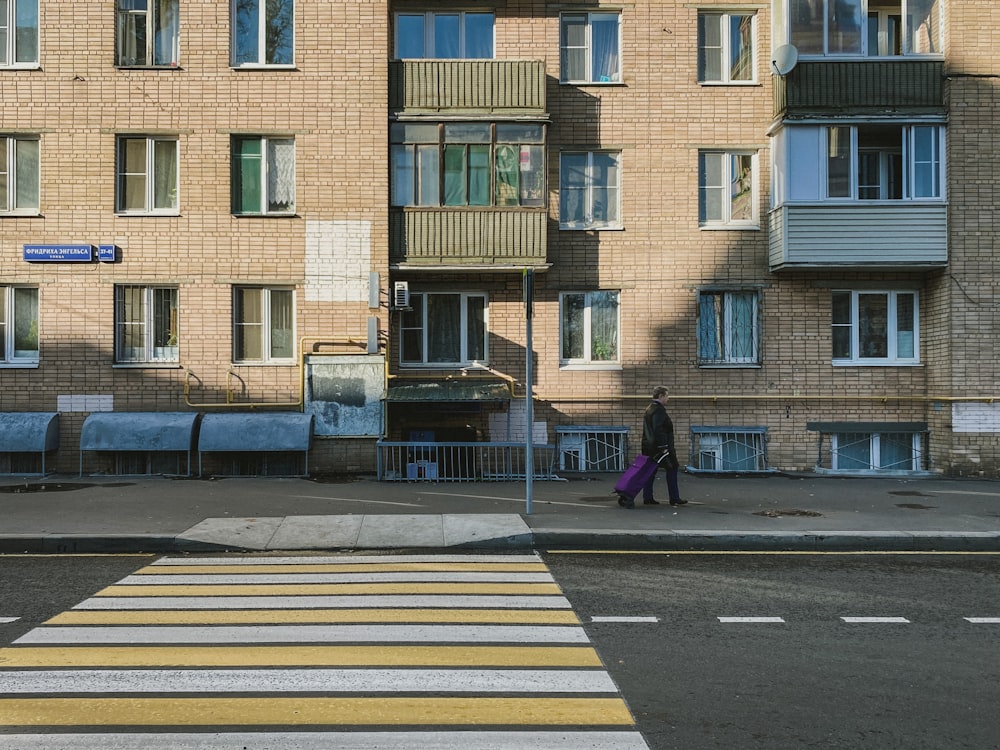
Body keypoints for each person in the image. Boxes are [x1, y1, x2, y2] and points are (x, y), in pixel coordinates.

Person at [640, 386, 686, 506]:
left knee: (650, 471)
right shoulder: (658, 410)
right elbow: (659, 429)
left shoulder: (650, 408)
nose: (668, 398)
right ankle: (674, 497)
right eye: (667, 396)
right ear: (661, 396)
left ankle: (648, 497)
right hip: (661, 447)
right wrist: (663, 446)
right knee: (672, 468)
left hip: (649, 446)